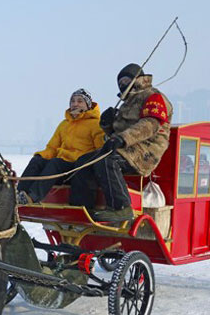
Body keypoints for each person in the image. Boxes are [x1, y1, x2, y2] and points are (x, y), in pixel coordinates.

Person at [72, 63, 172, 222]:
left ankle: (122, 208)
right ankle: (83, 207)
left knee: (107, 160)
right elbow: (116, 134)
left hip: (145, 151)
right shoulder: (127, 104)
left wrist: (122, 138)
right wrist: (108, 126)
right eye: (120, 82)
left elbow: (150, 125)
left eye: (126, 80)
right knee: (84, 162)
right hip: (127, 148)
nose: (122, 84)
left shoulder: (153, 97)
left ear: (137, 79)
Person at [17, 89, 103, 204]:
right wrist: (41, 156)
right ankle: (18, 193)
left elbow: (100, 149)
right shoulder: (64, 124)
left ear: (88, 105)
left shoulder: (96, 124)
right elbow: (52, 148)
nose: (75, 104)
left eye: (80, 101)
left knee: (55, 163)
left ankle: (33, 197)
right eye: (72, 101)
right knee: (36, 161)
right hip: (62, 163)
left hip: (78, 167)